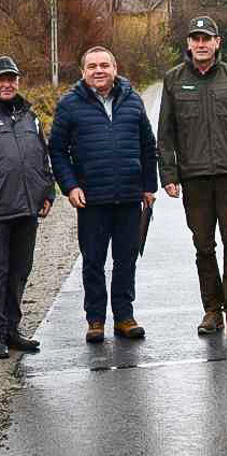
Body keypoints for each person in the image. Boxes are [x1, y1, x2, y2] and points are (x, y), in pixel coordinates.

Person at [158, 16, 227, 336]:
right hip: (194, 178)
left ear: (218, 43)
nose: (201, 44)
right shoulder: (174, 79)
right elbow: (166, 132)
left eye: (207, 39)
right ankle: (211, 309)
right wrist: (169, 174)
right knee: (203, 246)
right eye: (196, 39)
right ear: (188, 44)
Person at [50, 47, 157, 343]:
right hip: (91, 199)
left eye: (104, 65)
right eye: (92, 66)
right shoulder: (70, 104)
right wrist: (70, 186)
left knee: (126, 260)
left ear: (115, 68)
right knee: (93, 261)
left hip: (128, 197)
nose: (99, 71)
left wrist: (149, 186)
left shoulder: (132, 100)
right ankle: (95, 319)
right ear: (83, 72)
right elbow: (57, 150)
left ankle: (124, 316)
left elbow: (148, 146)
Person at [0, 57, 54, 356]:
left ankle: (11, 330)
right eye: (2, 80)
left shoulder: (29, 116)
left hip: (27, 209)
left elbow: (41, 157)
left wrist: (47, 192)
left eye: (11, 79)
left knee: (20, 271)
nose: (7, 84)